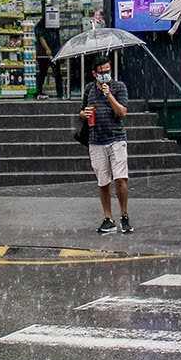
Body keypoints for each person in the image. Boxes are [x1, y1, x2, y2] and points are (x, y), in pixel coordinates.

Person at [79, 57, 131, 234]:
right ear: (94, 73)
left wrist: (108, 95)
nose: (105, 75)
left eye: (107, 71)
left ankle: (124, 215)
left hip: (116, 138)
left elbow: (122, 112)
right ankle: (108, 218)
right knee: (103, 181)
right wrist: (84, 114)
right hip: (96, 139)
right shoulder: (89, 89)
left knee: (120, 178)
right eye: (101, 72)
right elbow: (82, 109)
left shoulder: (119, 87)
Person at [34, 15, 62, 99]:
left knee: (55, 73)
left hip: (54, 51)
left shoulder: (54, 24)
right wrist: (47, 49)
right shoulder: (41, 25)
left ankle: (60, 92)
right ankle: (39, 91)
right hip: (44, 54)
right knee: (43, 72)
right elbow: (41, 38)